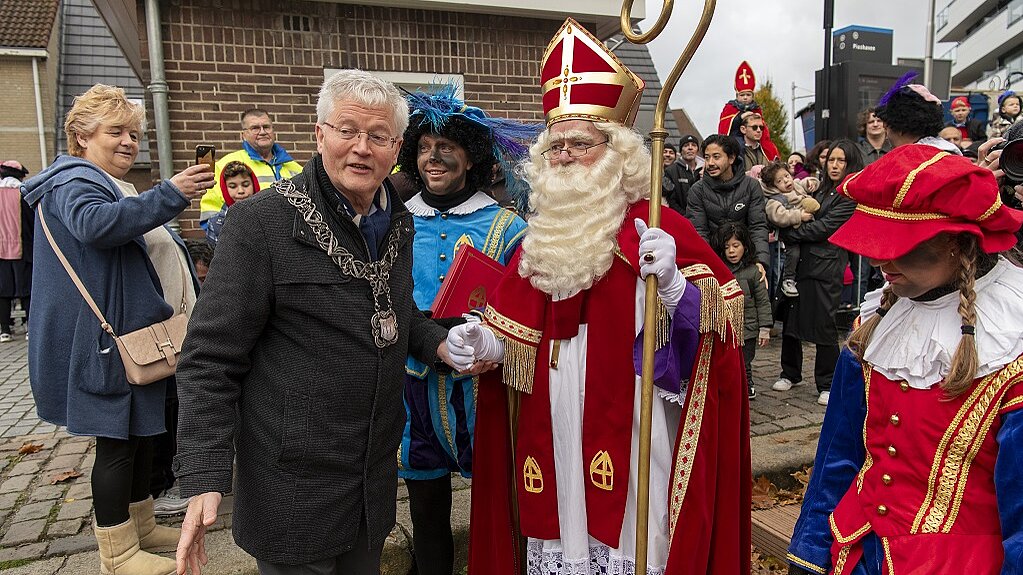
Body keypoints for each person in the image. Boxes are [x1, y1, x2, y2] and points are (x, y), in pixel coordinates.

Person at [453, 18, 750, 575]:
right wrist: (484, 342)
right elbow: (515, 332)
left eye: (580, 145)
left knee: (630, 537)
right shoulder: (540, 235)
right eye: (556, 146)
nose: (564, 157)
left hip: (634, 418)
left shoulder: (656, 227)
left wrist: (677, 287)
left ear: (616, 152)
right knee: (559, 525)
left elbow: (716, 335)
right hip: (553, 417)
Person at [173, 69, 461, 575]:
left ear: (396, 147)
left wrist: (440, 342)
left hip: (370, 485)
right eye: (347, 130)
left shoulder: (399, 219)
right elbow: (209, 359)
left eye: (377, 136)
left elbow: (392, 310)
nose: (361, 148)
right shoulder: (260, 223)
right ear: (318, 133)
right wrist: (204, 473)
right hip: (292, 486)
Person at [785, 143, 1023, 575]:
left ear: (958, 243)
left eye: (900, 245)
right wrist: (810, 553)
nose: (878, 259)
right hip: (856, 554)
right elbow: (836, 460)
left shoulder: (1012, 341)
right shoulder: (876, 326)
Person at [20, 84, 214, 575]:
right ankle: (117, 552)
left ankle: (141, 527)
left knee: (141, 436)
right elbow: (96, 226)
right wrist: (169, 194)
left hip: (125, 341)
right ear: (81, 136)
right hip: (103, 344)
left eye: (134, 133)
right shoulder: (73, 181)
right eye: (116, 132)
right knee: (117, 445)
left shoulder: (99, 179)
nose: (130, 142)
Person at [394, 85, 530, 575]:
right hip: (414, 387)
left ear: (470, 157)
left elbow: (526, 309)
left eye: (446, 148)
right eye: (425, 147)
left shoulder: (509, 227)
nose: (434, 157)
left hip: (485, 389)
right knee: (426, 511)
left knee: (499, 507)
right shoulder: (393, 223)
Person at [772, 139, 860, 406]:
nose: (834, 165)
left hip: (826, 267)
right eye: (831, 159)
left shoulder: (849, 197)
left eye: (840, 160)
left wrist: (789, 230)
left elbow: (824, 228)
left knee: (823, 324)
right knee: (791, 321)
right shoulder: (821, 189)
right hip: (800, 266)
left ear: (850, 164)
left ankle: (826, 381)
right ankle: (790, 372)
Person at [197, 109, 302, 225]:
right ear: (244, 135)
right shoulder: (224, 166)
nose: (262, 132)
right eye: (255, 128)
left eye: (266, 127)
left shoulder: (295, 167)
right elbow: (211, 213)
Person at [686, 133, 770, 275]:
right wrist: (707, 266)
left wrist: (759, 261)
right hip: (712, 265)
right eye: (707, 158)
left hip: (746, 263)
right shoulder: (697, 190)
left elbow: (758, 226)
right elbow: (699, 231)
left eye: (716, 157)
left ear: (731, 158)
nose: (710, 163)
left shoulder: (751, 186)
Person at [712, 222, 772, 400]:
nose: (731, 251)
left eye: (735, 246)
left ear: (745, 247)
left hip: (748, 328)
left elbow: (762, 301)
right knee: (727, 359)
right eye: (727, 247)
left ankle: (747, 384)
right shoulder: (718, 270)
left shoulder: (753, 272)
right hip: (725, 326)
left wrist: (765, 329)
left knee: (745, 361)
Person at [759, 161, 820, 298]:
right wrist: (799, 216)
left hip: (808, 230)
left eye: (786, 176)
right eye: (780, 181)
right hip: (791, 234)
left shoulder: (796, 185)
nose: (786, 181)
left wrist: (811, 182)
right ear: (773, 186)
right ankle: (788, 279)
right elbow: (779, 216)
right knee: (793, 254)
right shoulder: (775, 199)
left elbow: (805, 182)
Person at [718, 60, 780, 161]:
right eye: (742, 95)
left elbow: (762, 128)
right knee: (738, 146)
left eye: (748, 95)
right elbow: (724, 125)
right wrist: (739, 117)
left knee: (769, 147)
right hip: (735, 136)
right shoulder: (730, 107)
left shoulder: (756, 108)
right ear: (737, 95)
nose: (745, 98)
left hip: (754, 138)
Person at [0, 160, 32, 342]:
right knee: (26, 289)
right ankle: (29, 327)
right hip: (23, 249)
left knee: (3, 291)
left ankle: (5, 330)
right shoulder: (23, 194)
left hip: (1, 253)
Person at [204, 161, 259, 246]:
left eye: (246, 185)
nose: (240, 191)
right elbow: (213, 257)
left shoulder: (268, 217)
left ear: (254, 185)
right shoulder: (216, 224)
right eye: (233, 186)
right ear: (225, 189)